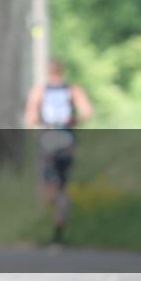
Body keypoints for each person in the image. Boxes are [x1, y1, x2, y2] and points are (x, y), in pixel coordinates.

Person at [23, 59, 94, 246]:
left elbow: (30, 119)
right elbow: (87, 112)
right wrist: (73, 122)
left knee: (47, 189)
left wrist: (41, 123)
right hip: (67, 141)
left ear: (48, 72)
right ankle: (59, 233)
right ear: (62, 72)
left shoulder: (39, 91)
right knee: (63, 189)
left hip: (48, 142)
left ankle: (46, 229)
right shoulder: (73, 90)